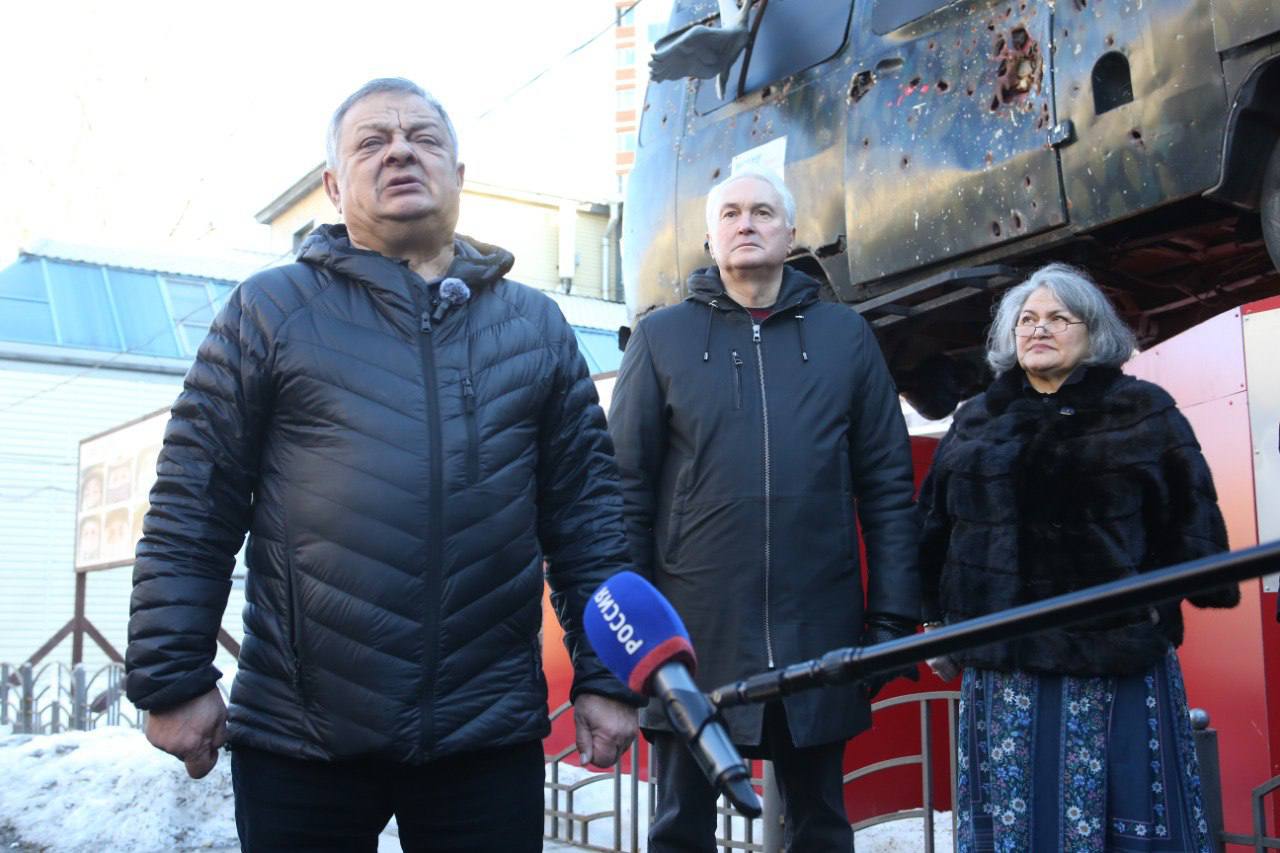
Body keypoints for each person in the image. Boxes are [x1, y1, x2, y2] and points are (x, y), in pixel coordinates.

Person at [125, 78, 641, 853]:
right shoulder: (270, 311)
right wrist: (172, 677)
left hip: (485, 733)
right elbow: (194, 503)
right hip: (302, 736)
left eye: (423, 137)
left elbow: (587, 518)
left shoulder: (534, 326)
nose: (400, 150)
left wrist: (607, 675)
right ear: (335, 186)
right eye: (372, 141)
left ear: (458, 175)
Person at [609, 169, 921, 852]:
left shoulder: (846, 335)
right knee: (680, 830)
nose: (745, 223)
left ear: (792, 233)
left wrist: (893, 620)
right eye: (730, 213)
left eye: (762, 211)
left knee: (821, 828)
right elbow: (624, 494)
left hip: (820, 628)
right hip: (692, 635)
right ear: (709, 237)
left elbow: (888, 486)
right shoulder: (659, 338)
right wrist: (632, 638)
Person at [917, 262, 1240, 852]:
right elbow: (934, 528)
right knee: (1012, 826)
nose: (1039, 329)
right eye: (1027, 320)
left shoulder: (1142, 410)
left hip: (1113, 657)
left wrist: (1160, 608)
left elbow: (1191, 523)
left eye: (1059, 318)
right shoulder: (976, 419)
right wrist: (935, 623)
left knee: (1128, 815)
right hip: (1003, 662)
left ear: (1094, 332)